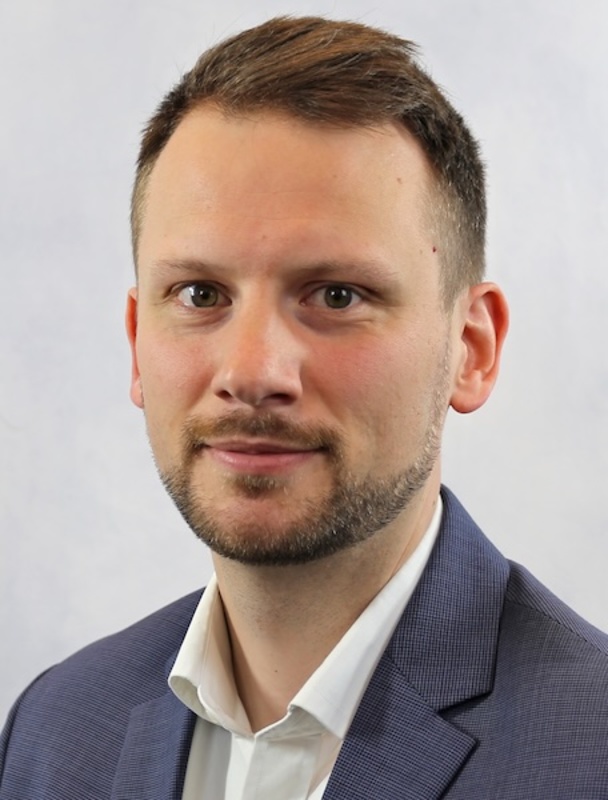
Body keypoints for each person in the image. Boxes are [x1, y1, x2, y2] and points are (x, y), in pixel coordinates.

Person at [1, 14, 607, 799]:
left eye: (336, 295)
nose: (251, 372)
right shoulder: (54, 732)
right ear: (137, 342)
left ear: (471, 348)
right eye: (200, 294)